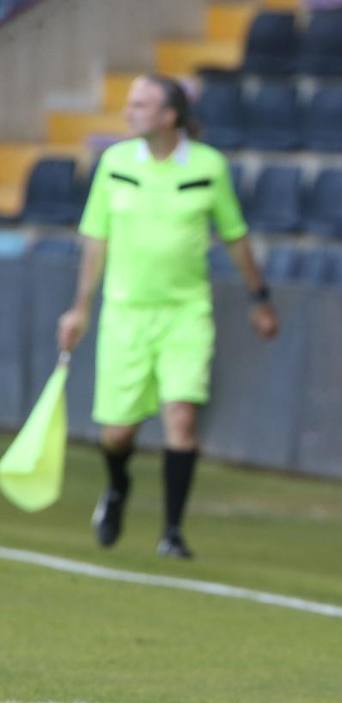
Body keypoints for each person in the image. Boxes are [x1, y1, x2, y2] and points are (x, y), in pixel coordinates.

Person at [56, 74, 278, 559]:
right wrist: (80, 309)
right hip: (126, 313)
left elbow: (234, 235)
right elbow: (96, 238)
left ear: (169, 115)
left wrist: (258, 297)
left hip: (186, 312)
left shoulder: (208, 166)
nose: (129, 111)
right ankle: (116, 488)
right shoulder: (114, 163)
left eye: (140, 104)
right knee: (118, 433)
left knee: (181, 418)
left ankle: (171, 532)